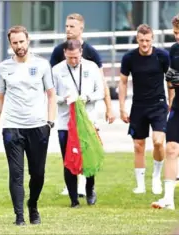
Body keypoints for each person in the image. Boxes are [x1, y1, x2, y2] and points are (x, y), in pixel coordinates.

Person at [0, 25, 56, 225]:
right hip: (12, 127)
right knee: (16, 174)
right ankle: (19, 217)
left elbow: (51, 95)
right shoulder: (4, 68)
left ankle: (33, 205)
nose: (19, 46)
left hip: (38, 127)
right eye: (15, 43)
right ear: (10, 44)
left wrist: (50, 122)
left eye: (21, 41)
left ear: (28, 41)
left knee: (38, 174)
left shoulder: (43, 65)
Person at [50, 13, 115, 197]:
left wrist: (109, 108)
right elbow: (51, 87)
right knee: (70, 153)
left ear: (81, 28)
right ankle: (72, 187)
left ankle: (88, 187)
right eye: (66, 26)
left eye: (71, 26)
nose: (68, 29)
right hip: (66, 118)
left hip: (87, 117)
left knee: (88, 151)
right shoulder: (58, 52)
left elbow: (101, 84)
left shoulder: (92, 54)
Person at [119, 24, 172, 195]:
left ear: (152, 39)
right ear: (137, 39)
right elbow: (123, 82)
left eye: (147, 40)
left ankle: (156, 177)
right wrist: (121, 107)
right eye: (141, 40)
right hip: (138, 105)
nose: (144, 44)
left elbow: (170, 80)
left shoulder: (162, 56)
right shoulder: (129, 58)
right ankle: (140, 185)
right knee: (138, 145)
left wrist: (172, 101)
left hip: (158, 104)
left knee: (158, 141)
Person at [53, 39, 104, 207]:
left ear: (81, 52)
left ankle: (90, 190)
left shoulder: (92, 67)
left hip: (88, 121)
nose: (73, 61)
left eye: (76, 57)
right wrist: (64, 99)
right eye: (70, 58)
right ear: (64, 54)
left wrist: (87, 97)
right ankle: (74, 199)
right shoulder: (56, 70)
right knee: (69, 160)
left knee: (89, 157)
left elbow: (101, 92)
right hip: (65, 123)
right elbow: (51, 96)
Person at [152, 13, 179, 210]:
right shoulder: (174, 50)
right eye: (176, 33)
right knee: (171, 149)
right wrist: (170, 98)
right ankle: (169, 199)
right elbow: (171, 76)